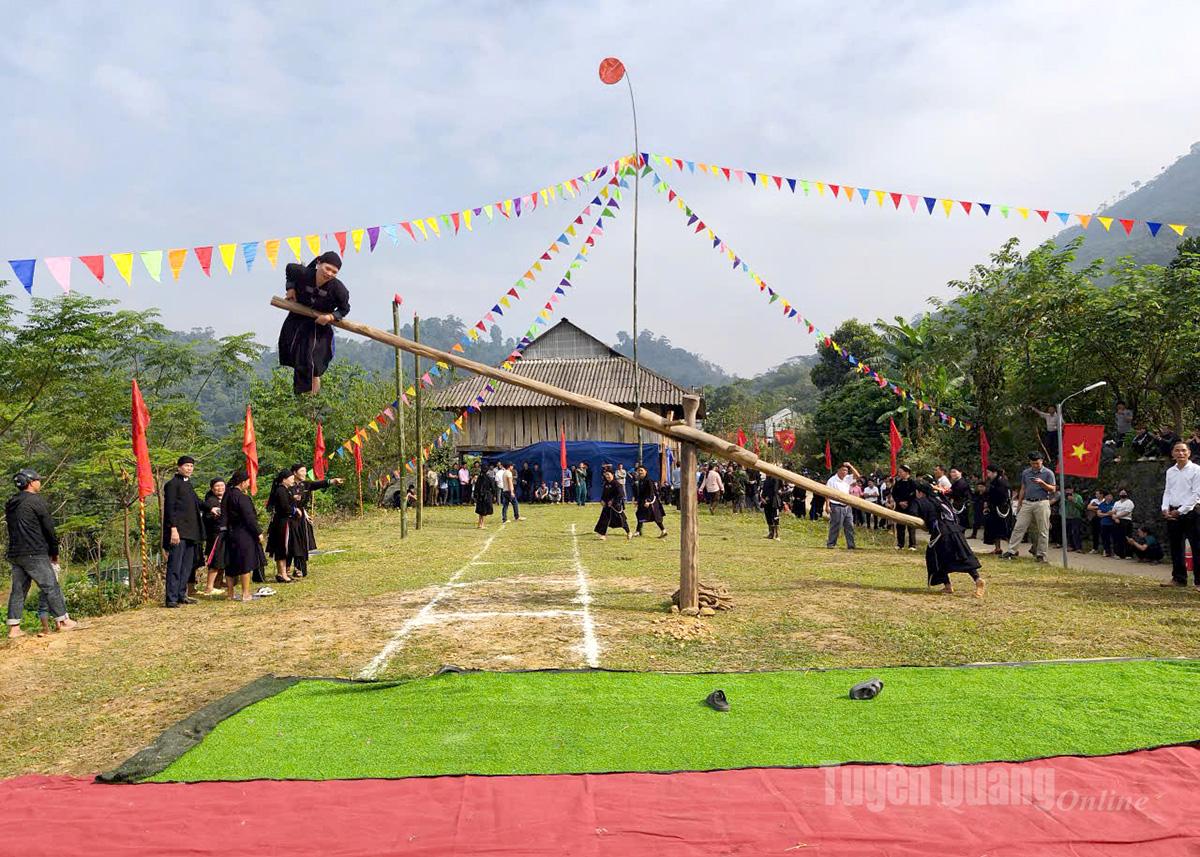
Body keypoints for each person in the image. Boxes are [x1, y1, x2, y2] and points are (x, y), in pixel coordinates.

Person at [5, 469, 77, 638]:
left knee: (18, 590)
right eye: (38, 479)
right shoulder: (36, 501)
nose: (40, 482)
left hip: (16, 553)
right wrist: (54, 551)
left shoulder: (11, 503)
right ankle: (64, 621)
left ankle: (14, 628)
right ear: (30, 482)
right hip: (34, 551)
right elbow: (49, 529)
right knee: (51, 586)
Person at [277, 252, 349, 395]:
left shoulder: (339, 289)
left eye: (334, 272)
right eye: (327, 268)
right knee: (294, 354)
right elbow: (289, 268)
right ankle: (301, 399)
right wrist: (290, 289)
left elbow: (344, 309)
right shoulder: (304, 273)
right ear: (319, 263)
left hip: (319, 326)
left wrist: (330, 317)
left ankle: (312, 402)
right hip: (298, 318)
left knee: (314, 364)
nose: (329, 273)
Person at [913, 481, 985, 597]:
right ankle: (977, 579)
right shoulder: (941, 498)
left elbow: (914, 514)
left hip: (941, 533)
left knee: (936, 558)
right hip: (956, 530)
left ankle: (947, 585)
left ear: (920, 492)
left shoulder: (921, 501)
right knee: (963, 557)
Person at [162, 455, 204, 608]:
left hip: (191, 532)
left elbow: (197, 502)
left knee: (187, 566)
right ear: (179, 467)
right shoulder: (172, 485)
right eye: (186, 466)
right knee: (175, 565)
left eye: (191, 466)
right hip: (178, 532)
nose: (189, 469)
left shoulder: (188, 484)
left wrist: (211, 508)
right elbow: (170, 509)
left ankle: (181, 594)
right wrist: (173, 529)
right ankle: (171, 598)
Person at [1001, 452, 1056, 562]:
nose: (1035, 465)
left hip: (1042, 502)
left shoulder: (1048, 473)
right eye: (1032, 463)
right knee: (1019, 527)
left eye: (1037, 463)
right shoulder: (1026, 472)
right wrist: (1020, 502)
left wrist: (1042, 483)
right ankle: (1012, 551)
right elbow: (1023, 487)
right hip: (1027, 502)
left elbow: (1053, 489)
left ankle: (1041, 554)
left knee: (1043, 530)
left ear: (1042, 461)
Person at [289, 464, 342, 579]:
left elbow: (319, 484)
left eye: (304, 471)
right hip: (289, 519)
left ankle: (299, 568)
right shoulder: (287, 486)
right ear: (294, 473)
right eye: (301, 471)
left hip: (301, 519)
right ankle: (285, 570)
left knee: (302, 544)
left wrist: (333, 481)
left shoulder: (306, 484)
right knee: (291, 545)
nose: (304, 473)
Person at [1161, 440, 1200, 587]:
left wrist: (1181, 510)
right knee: (1176, 546)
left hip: (1192, 512)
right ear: (1172, 454)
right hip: (1173, 511)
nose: (1180, 453)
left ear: (1189, 453)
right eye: (1177, 450)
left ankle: (1199, 581)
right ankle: (1178, 578)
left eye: (1183, 450)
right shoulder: (1170, 471)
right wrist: (1165, 508)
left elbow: (1196, 494)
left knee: (1197, 547)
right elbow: (1167, 491)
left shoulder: (1196, 470)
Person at [221, 469, 263, 602]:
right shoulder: (241, 497)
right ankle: (245, 594)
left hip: (229, 533)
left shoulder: (227, 495)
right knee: (246, 562)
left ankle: (230, 594)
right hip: (243, 533)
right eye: (248, 481)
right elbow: (249, 517)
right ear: (243, 482)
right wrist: (258, 532)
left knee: (231, 563)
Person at [265, 469, 301, 583]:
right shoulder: (280, 490)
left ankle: (283, 573)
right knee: (281, 548)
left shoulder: (286, 490)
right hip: (281, 523)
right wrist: (295, 510)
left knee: (285, 548)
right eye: (290, 478)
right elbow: (284, 507)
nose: (292, 480)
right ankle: (282, 574)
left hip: (285, 522)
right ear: (284, 480)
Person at [825, 461, 861, 549]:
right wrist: (827, 505)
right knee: (836, 526)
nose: (845, 472)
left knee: (849, 526)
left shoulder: (847, 478)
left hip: (847, 506)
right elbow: (827, 493)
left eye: (846, 471)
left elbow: (858, 476)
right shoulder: (832, 480)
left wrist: (850, 466)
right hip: (836, 505)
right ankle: (831, 544)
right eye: (843, 470)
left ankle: (851, 545)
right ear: (838, 470)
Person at [201, 478, 226, 596]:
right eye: (217, 486)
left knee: (222, 560)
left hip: (224, 534)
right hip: (215, 535)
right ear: (212, 488)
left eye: (222, 485)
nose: (220, 488)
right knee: (215, 561)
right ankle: (209, 587)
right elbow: (209, 517)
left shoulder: (225, 499)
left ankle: (218, 583)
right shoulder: (211, 501)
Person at [982, 465, 1012, 554]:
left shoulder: (1002, 482)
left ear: (994, 472)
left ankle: (1013, 549)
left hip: (1001, 509)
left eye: (989, 473)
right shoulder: (992, 482)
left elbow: (1003, 496)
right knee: (994, 529)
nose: (988, 475)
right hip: (993, 508)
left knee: (1004, 530)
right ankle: (997, 548)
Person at [594, 469, 631, 540]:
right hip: (607, 505)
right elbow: (604, 494)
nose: (607, 476)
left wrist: (612, 501)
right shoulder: (606, 484)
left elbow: (621, 494)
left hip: (615, 506)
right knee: (604, 519)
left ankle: (629, 532)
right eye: (606, 475)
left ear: (612, 475)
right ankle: (602, 534)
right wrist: (602, 500)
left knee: (621, 519)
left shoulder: (617, 484)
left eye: (608, 474)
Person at [633, 465, 668, 538]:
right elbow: (640, 493)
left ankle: (663, 530)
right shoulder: (640, 481)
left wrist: (648, 501)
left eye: (641, 470)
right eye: (639, 470)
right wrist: (637, 501)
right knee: (640, 514)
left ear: (646, 471)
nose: (640, 472)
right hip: (642, 502)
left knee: (655, 516)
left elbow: (652, 492)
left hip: (650, 502)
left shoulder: (649, 481)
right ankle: (638, 531)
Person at [891, 465, 917, 551]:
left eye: (901, 472)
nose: (899, 474)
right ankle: (900, 544)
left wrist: (907, 502)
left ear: (907, 472)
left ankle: (912, 545)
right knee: (900, 526)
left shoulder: (913, 482)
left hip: (910, 506)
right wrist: (899, 502)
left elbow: (914, 494)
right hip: (900, 506)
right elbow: (894, 493)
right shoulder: (898, 482)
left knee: (911, 526)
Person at [1111, 490, 1135, 559]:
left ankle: (1128, 554)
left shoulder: (1129, 502)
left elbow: (1127, 512)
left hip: (1126, 520)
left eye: (1124, 493)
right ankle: (1118, 553)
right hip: (1117, 521)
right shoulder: (1117, 503)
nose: (1122, 494)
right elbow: (1113, 511)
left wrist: (1117, 516)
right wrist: (1115, 518)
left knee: (1127, 537)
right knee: (1117, 537)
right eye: (1121, 493)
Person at [1063, 486, 1086, 553]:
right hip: (1067, 516)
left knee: (1076, 532)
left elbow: (1081, 507)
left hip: (1076, 517)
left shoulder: (1078, 497)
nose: (1067, 491)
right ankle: (1071, 546)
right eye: (1066, 490)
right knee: (1068, 532)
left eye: (1069, 489)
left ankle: (1078, 547)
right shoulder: (1064, 497)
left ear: (1072, 490)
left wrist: (1074, 501)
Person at [761, 474, 783, 541]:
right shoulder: (766, 480)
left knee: (775, 518)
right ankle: (771, 534)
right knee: (768, 517)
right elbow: (764, 490)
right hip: (766, 502)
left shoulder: (775, 479)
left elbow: (775, 490)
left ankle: (777, 535)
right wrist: (763, 498)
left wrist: (768, 497)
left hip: (774, 502)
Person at [1095, 491, 1117, 557]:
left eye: (1111, 496)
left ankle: (1115, 552)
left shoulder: (1115, 504)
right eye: (1108, 496)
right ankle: (1107, 551)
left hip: (1112, 523)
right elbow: (1099, 514)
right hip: (1104, 523)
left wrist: (1107, 514)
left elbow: (1115, 512)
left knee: (1114, 538)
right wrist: (1107, 514)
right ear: (1105, 497)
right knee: (1105, 538)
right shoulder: (1102, 504)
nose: (1110, 497)